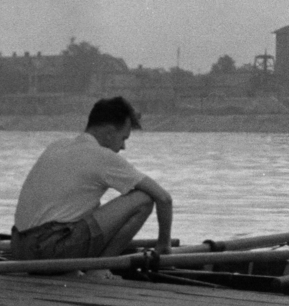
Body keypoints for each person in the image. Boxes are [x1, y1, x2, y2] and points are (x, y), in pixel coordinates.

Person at [10, 97, 173, 261]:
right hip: (48, 250)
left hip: (18, 247)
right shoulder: (102, 156)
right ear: (109, 133)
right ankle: (101, 268)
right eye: (123, 138)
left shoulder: (57, 145)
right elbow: (164, 198)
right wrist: (164, 245)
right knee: (143, 199)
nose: (123, 147)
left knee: (92, 207)